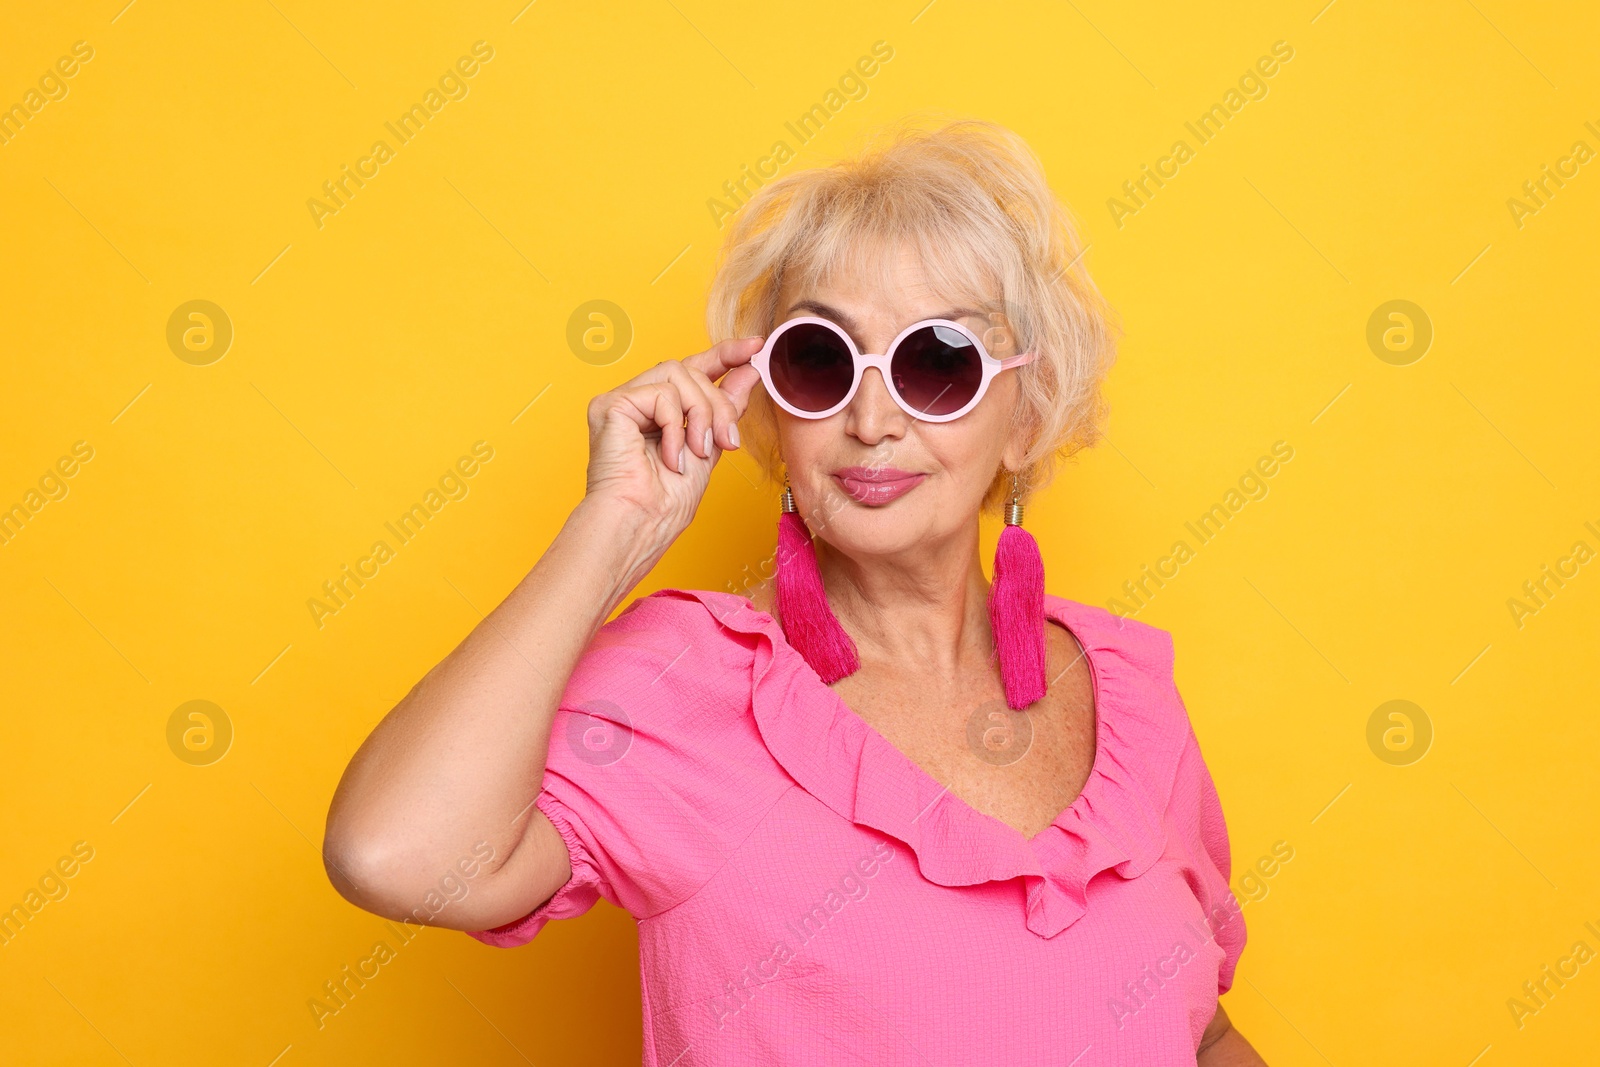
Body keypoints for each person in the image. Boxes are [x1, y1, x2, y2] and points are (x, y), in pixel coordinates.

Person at [323, 118, 1266, 1065]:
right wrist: (614, 527)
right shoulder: (682, 682)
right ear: (771, 402)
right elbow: (395, 854)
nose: (870, 419)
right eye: (817, 361)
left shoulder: (1133, 698)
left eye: (937, 362)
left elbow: (1203, 1029)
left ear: (1026, 420)